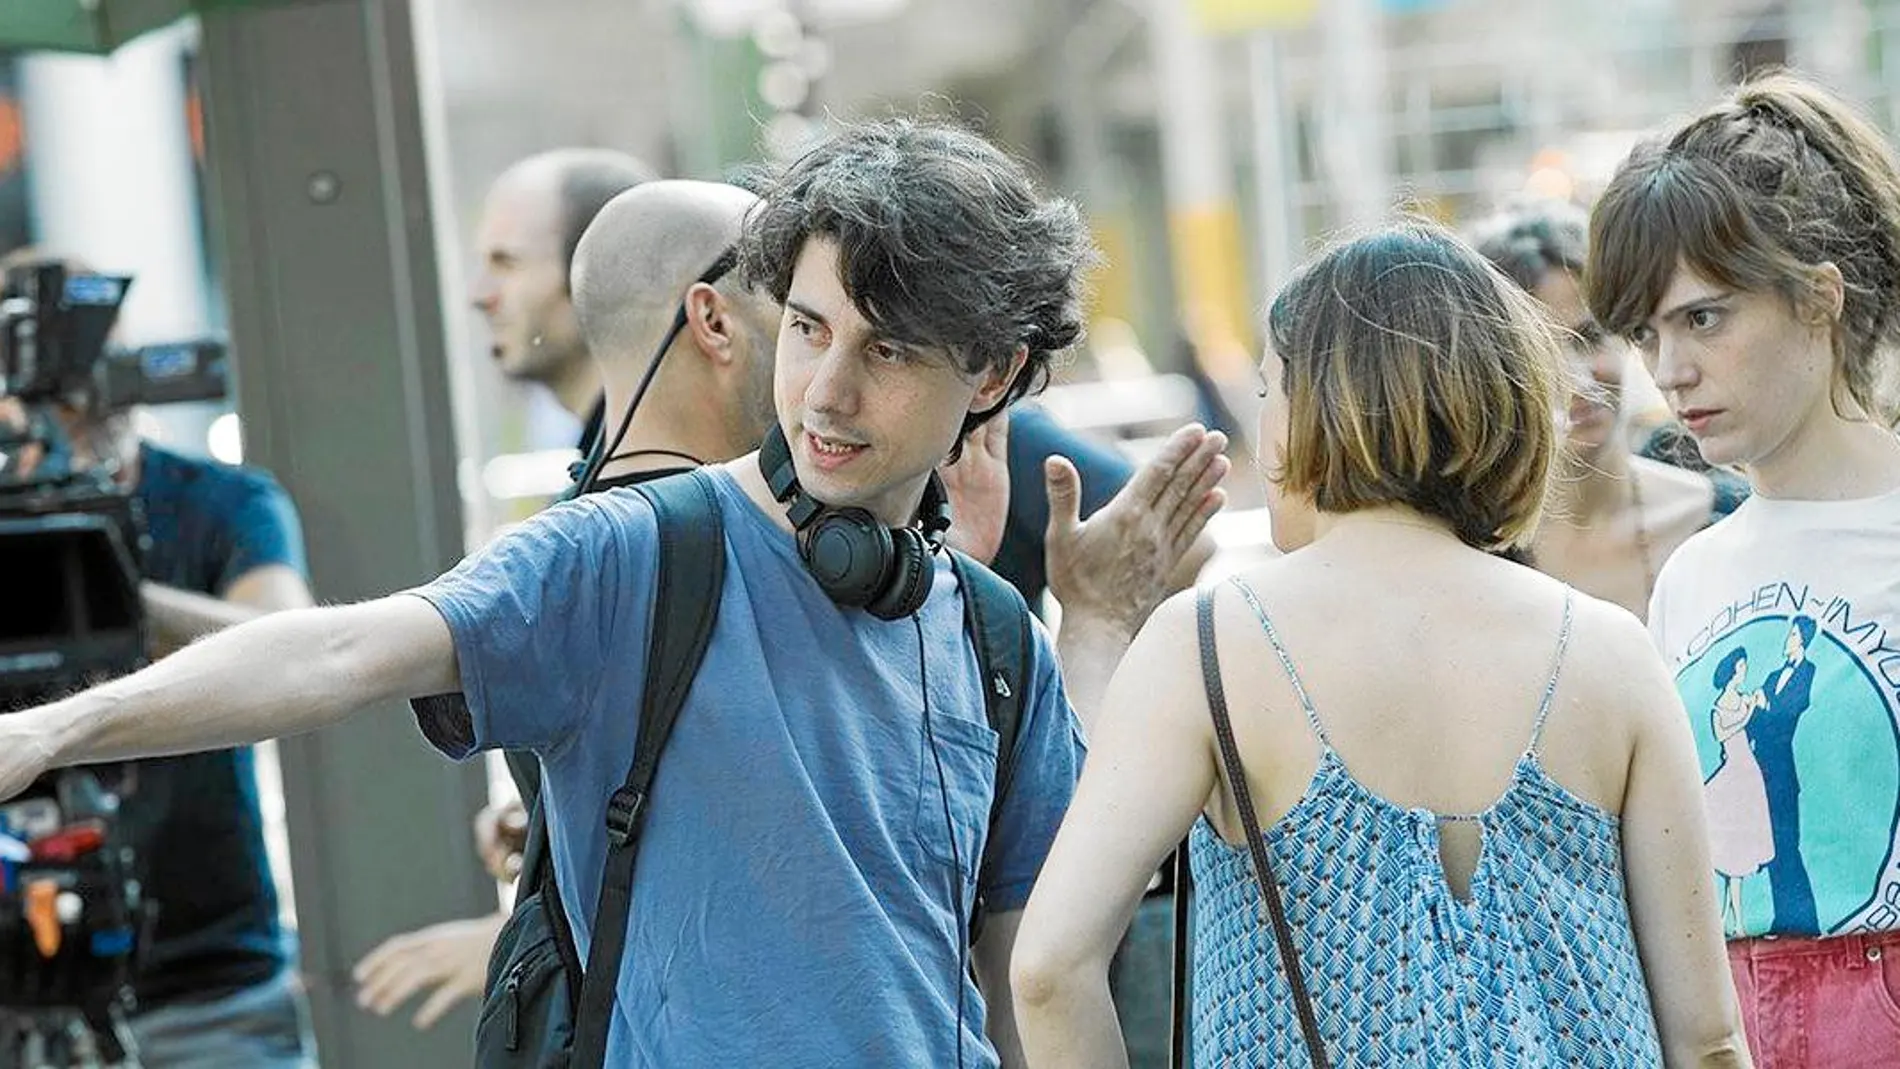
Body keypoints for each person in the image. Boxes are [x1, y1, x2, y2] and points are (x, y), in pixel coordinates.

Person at [351, 172, 1228, 1036]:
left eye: (873, 340)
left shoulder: (932, 441)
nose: (822, 380)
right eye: (803, 321)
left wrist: (987, 591)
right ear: (708, 318)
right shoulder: (612, 537)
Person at [1009, 222, 1749, 1067]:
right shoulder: (1614, 652)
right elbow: (1709, 1037)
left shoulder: (1210, 645)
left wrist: (1099, 622)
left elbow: (1048, 968)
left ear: (1317, 410)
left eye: (1268, 393)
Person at [1584, 72, 1900, 1069]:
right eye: (1645, 334)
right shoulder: (1694, 572)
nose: (1667, 370)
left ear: (1818, 298)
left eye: (1702, 319)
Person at [1, 338, 320, 1063]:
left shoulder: (224, 501)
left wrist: (101, 574)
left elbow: (293, 644)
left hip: (212, 989)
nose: (72, 414)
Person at [1469, 198, 1744, 618]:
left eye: (1589, 337)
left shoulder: (1723, 517)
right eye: (1540, 353)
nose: (1576, 377)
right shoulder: (1471, 555)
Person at [467, 148, 657, 441]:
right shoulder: (616, 449)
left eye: (506, 263)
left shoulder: (652, 462)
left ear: (600, 271)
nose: (480, 296)